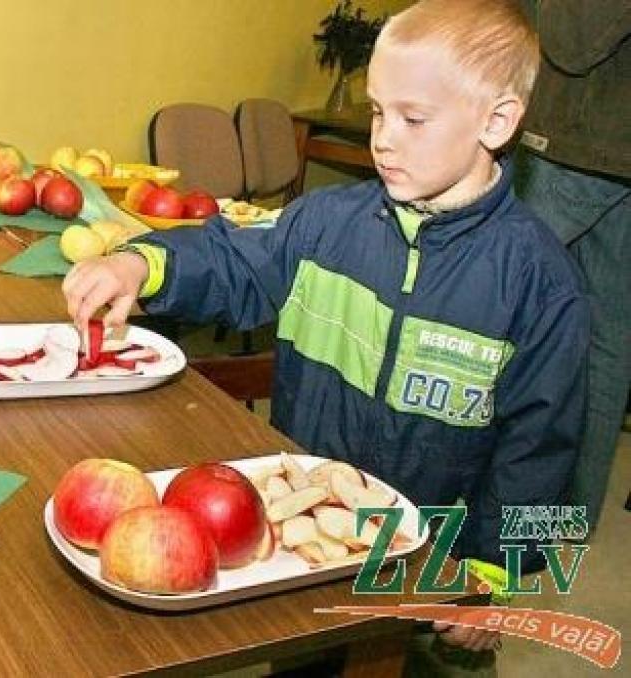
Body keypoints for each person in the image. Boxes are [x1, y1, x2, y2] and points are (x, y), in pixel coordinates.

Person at [63, 0, 589, 671]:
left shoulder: (543, 284)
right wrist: (141, 261)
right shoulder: (320, 223)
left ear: (497, 121)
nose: (384, 139)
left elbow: (543, 454)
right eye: (376, 111)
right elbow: (233, 259)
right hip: (299, 535)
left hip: (426, 560)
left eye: (412, 118)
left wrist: (496, 572)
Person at [515, 0, 631, 534]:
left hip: (579, 144)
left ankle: (466, 493)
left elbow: (573, 40)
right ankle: (567, 515)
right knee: (608, 341)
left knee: (489, 310)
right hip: (607, 148)